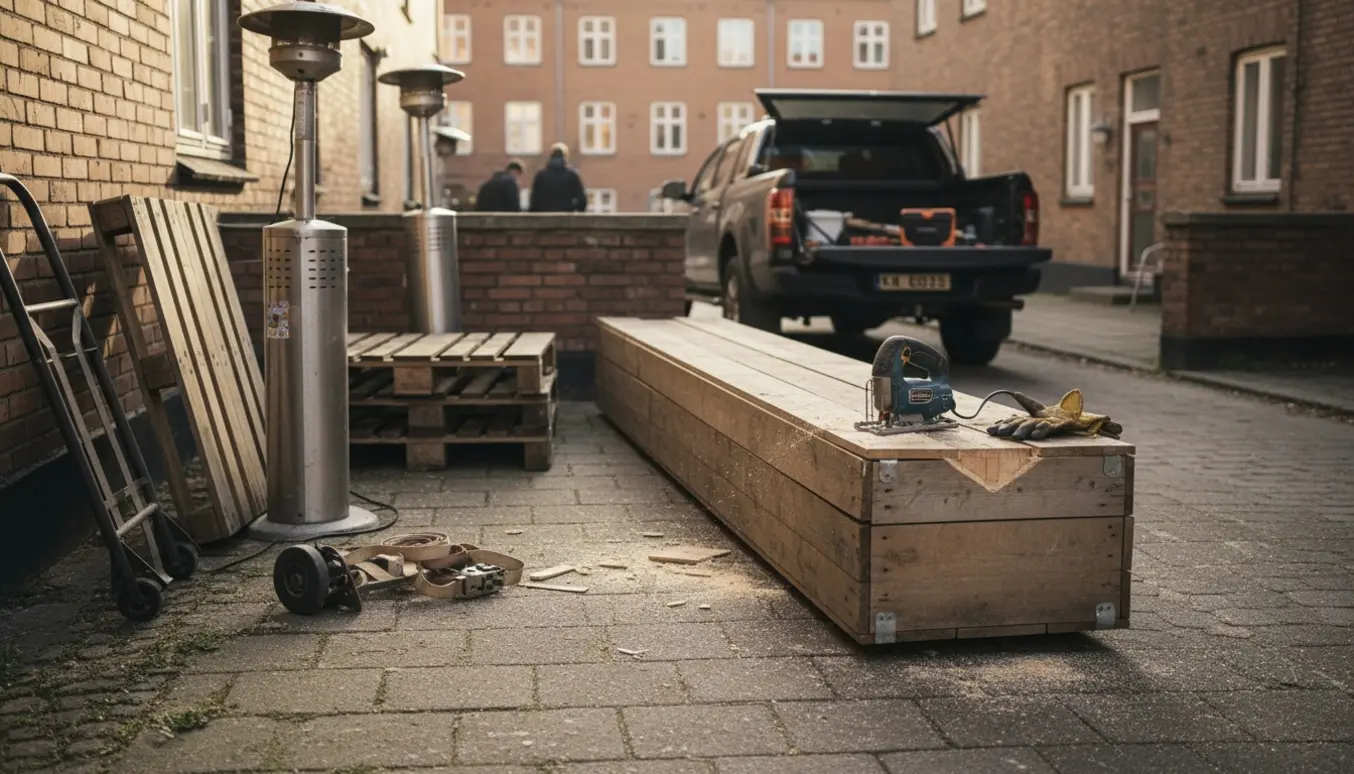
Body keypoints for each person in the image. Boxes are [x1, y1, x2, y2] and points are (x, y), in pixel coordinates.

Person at [528, 143, 587, 212]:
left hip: (545, 218)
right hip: (566, 218)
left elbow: (534, 200)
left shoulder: (541, 176)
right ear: (565, 157)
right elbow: (582, 200)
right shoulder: (572, 175)